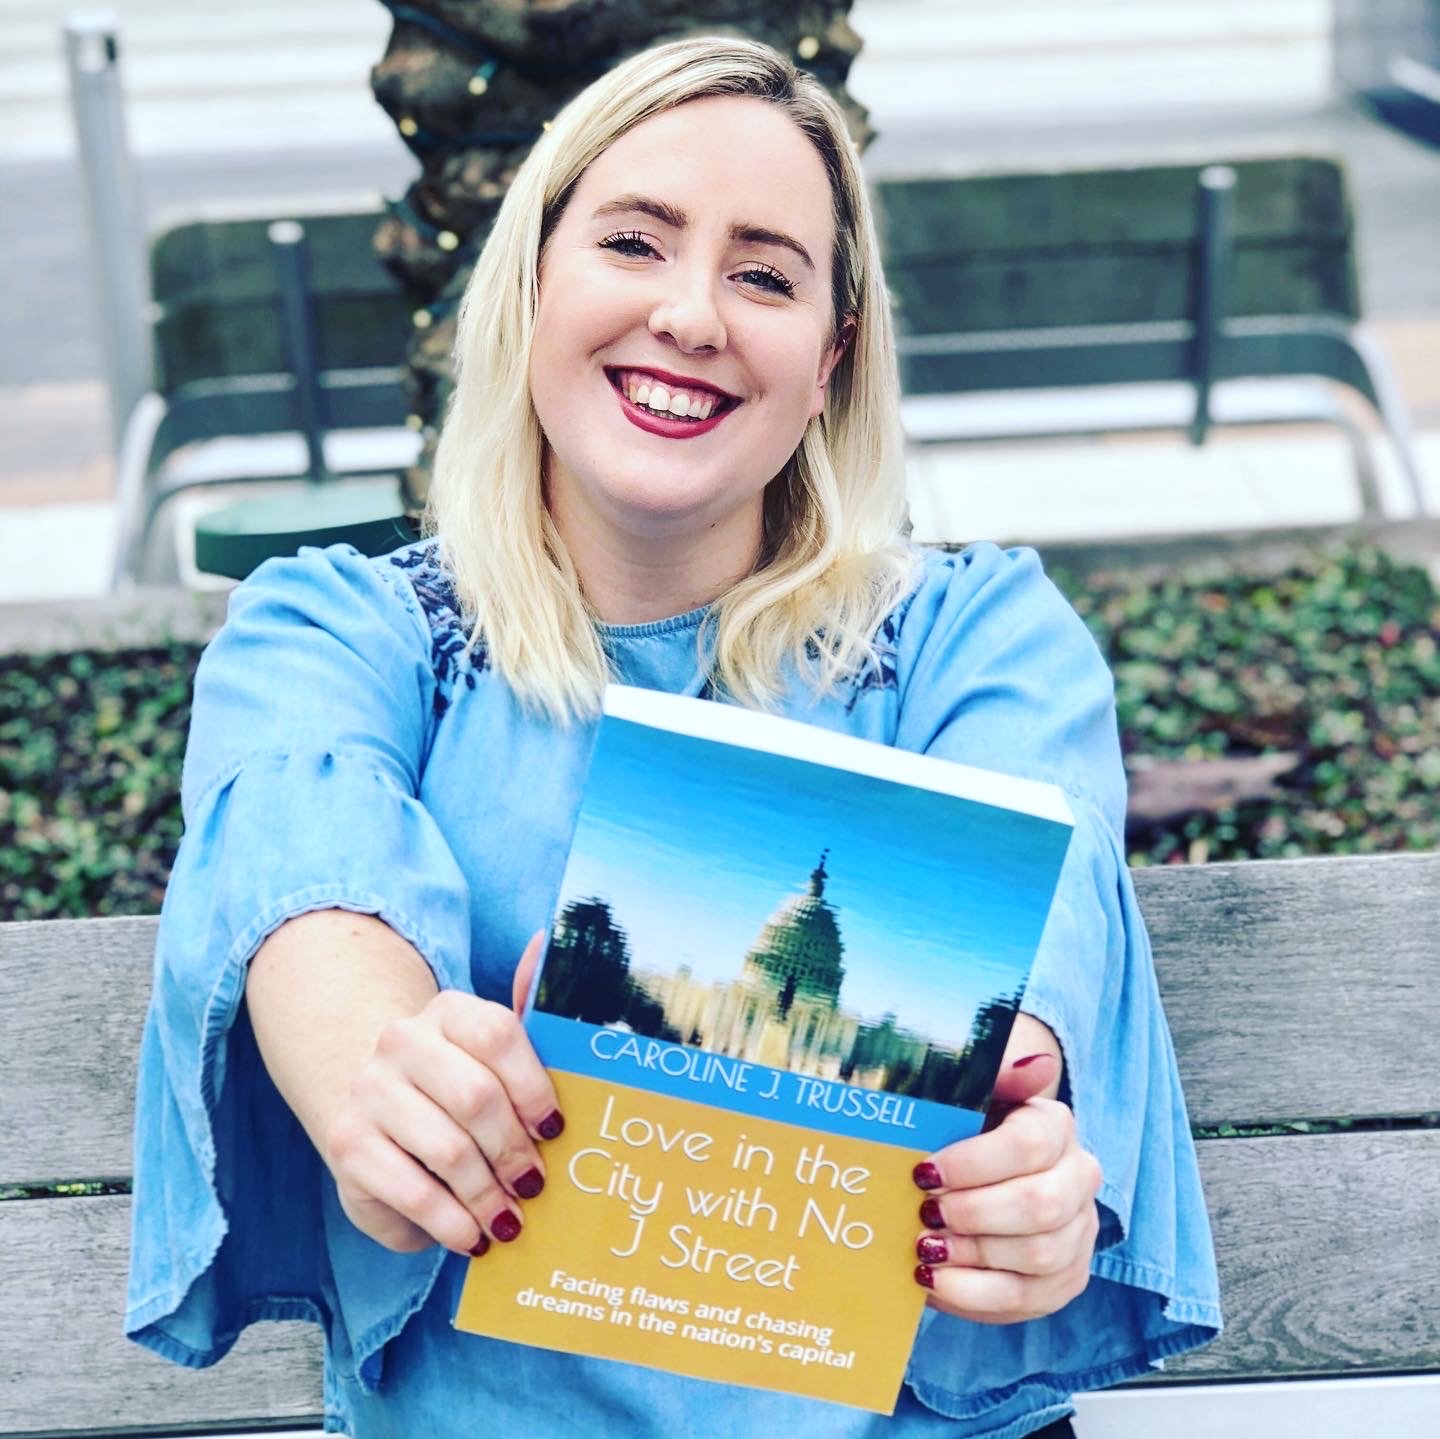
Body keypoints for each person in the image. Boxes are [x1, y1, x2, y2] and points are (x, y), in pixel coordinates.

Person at [126, 35, 1220, 1439]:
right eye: (634, 243)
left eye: (765, 275)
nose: (693, 315)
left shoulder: (980, 637)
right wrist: (385, 1091)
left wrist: (1021, 1186)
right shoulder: (335, 632)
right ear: (531, 283)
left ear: (829, 361)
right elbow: (305, 873)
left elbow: (1033, 966)